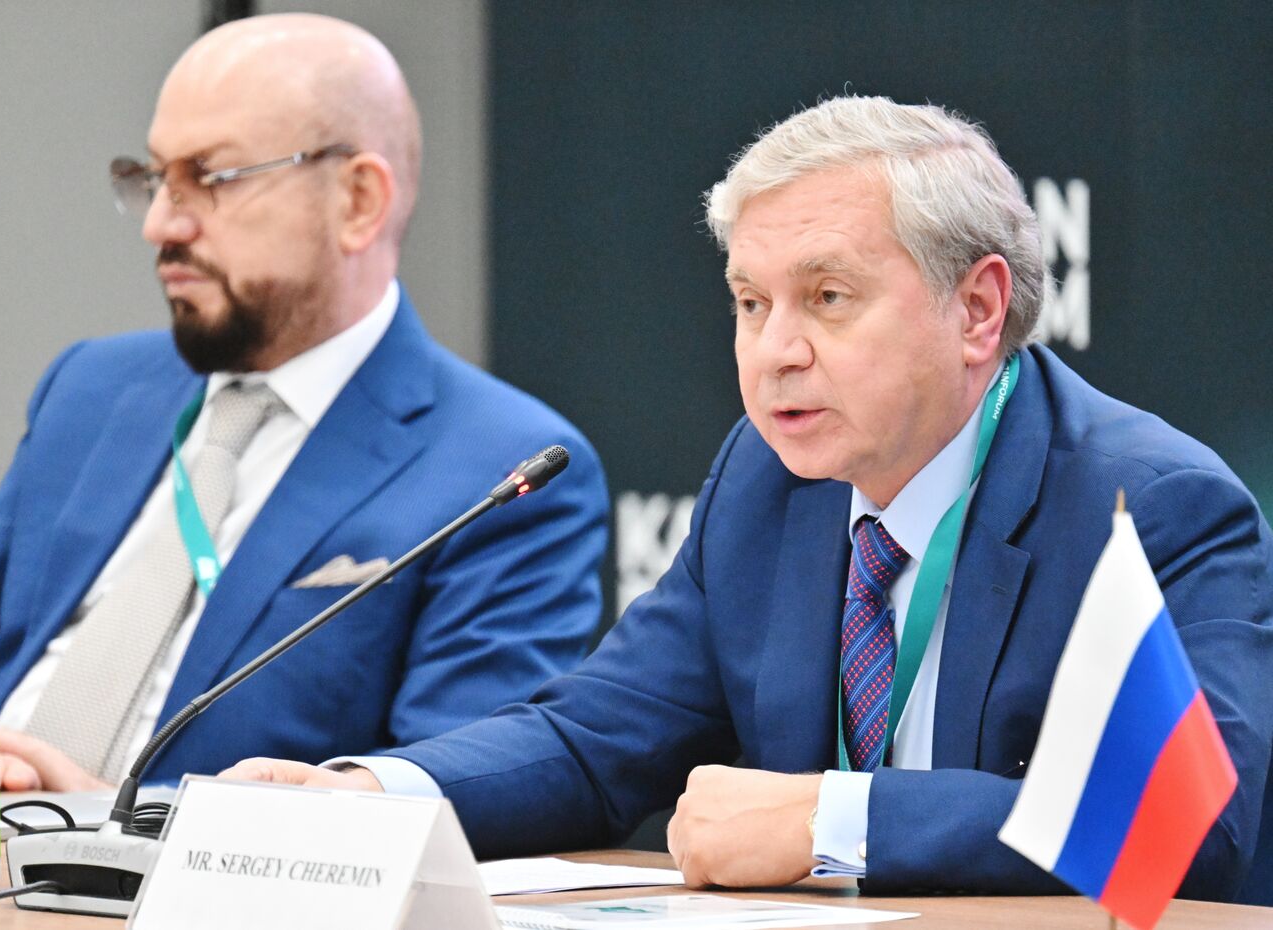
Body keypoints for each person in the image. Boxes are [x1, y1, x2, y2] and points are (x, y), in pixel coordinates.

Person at [222, 95, 1273, 902]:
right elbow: (597, 738)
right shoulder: (770, 482)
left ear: (977, 310)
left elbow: (1180, 824)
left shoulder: (1153, 510)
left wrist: (834, 822)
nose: (775, 353)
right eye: (749, 303)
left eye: (827, 297)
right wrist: (370, 800)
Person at [0, 14, 608, 792]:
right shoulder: (92, 389)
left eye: (211, 178)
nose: (160, 222)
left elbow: (439, 790)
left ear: (358, 200)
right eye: (154, 178)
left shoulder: (500, 471)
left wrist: (116, 827)